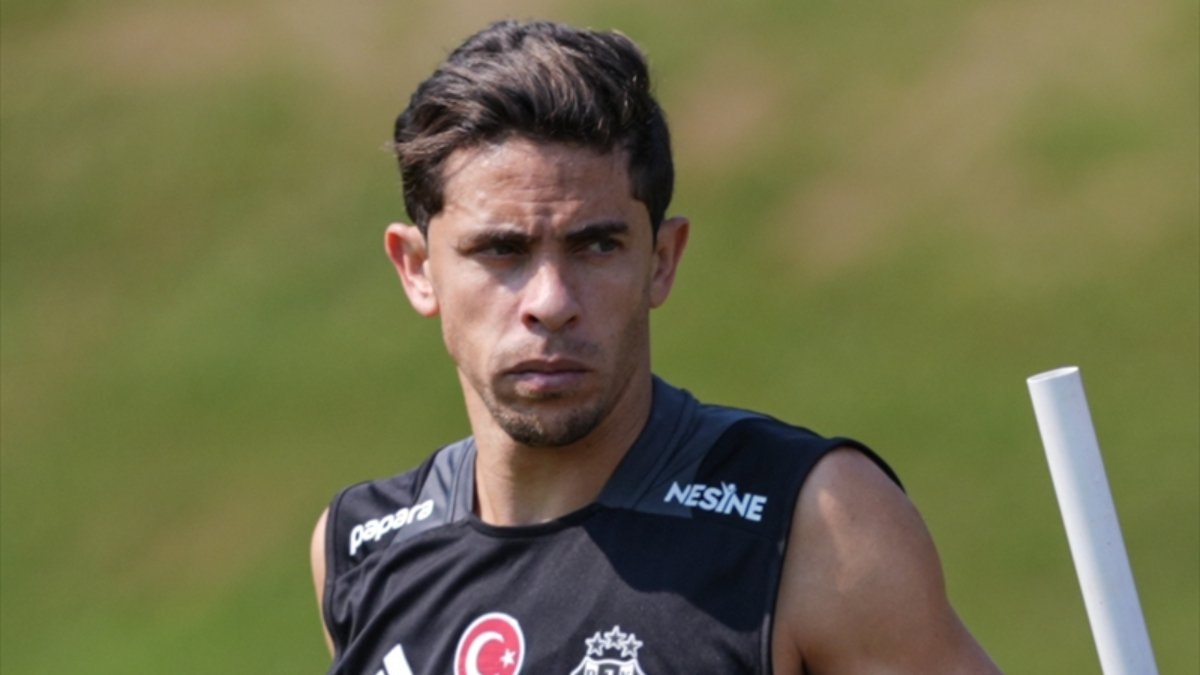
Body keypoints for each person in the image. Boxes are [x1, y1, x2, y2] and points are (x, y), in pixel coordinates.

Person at [310, 19, 1001, 675]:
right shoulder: (360, 551)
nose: (551, 300)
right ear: (417, 268)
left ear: (662, 260)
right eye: (501, 250)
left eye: (597, 246)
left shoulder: (816, 524)